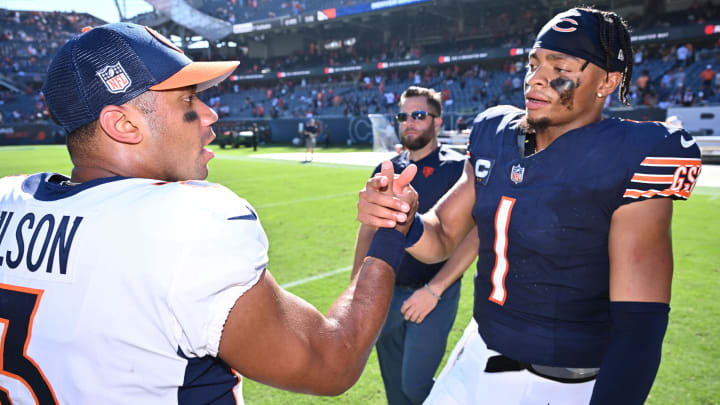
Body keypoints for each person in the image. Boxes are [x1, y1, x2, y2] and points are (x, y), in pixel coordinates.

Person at [0, 22, 418, 404]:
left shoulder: (7, 200)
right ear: (124, 125)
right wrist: (389, 234)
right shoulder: (187, 220)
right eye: (189, 100)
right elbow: (332, 361)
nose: (210, 114)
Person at [357, 7, 702, 405]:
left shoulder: (633, 156)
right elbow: (443, 235)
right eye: (534, 63)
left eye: (559, 66)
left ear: (607, 81)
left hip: (562, 384)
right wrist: (403, 219)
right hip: (477, 354)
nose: (535, 77)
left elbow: (639, 327)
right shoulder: (496, 133)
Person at [351, 86, 479, 405]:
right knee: (396, 392)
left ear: (437, 122)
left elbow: (476, 236)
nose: (409, 122)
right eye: (403, 116)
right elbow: (368, 231)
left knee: (416, 387)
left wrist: (434, 290)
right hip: (387, 291)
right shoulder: (386, 170)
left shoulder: (458, 169)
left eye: (419, 115)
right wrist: (356, 289)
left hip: (433, 293)